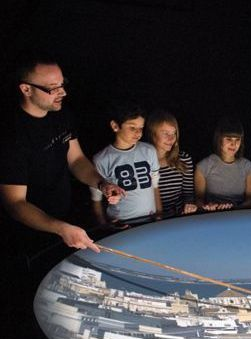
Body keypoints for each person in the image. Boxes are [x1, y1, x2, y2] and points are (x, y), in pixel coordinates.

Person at [0, 52, 124, 254]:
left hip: (66, 220)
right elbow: (15, 203)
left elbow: (76, 160)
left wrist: (102, 183)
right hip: (29, 232)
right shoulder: (11, 136)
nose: (63, 92)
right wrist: (59, 228)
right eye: (53, 88)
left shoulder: (61, 115)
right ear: (26, 89)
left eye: (62, 84)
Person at [91, 102, 161, 227]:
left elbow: (155, 187)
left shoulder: (149, 151)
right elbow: (96, 199)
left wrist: (159, 215)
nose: (138, 133)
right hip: (121, 223)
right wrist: (103, 226)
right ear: (115, 126)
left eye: (141, 128)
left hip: (150, 220)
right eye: (132, 128)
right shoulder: (101, 159)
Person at [195, 116, 251, 210]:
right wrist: (208, 207)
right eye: (229, 139)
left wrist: (233, 209)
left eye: (237, 140)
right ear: (219, 139)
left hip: (239, 215)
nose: (233, 144)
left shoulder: (248, 167)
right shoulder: (203, 166)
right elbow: (198, 201)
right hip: (211, 216)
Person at [146, 109, 196, 218]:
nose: (171, 138)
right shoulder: (143, 163)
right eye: (165, 133)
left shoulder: (183, 159)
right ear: (152, 134)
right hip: (151, 220)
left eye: (174, 133)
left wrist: (189, 206)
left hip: (178, 219)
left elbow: (188, 194)